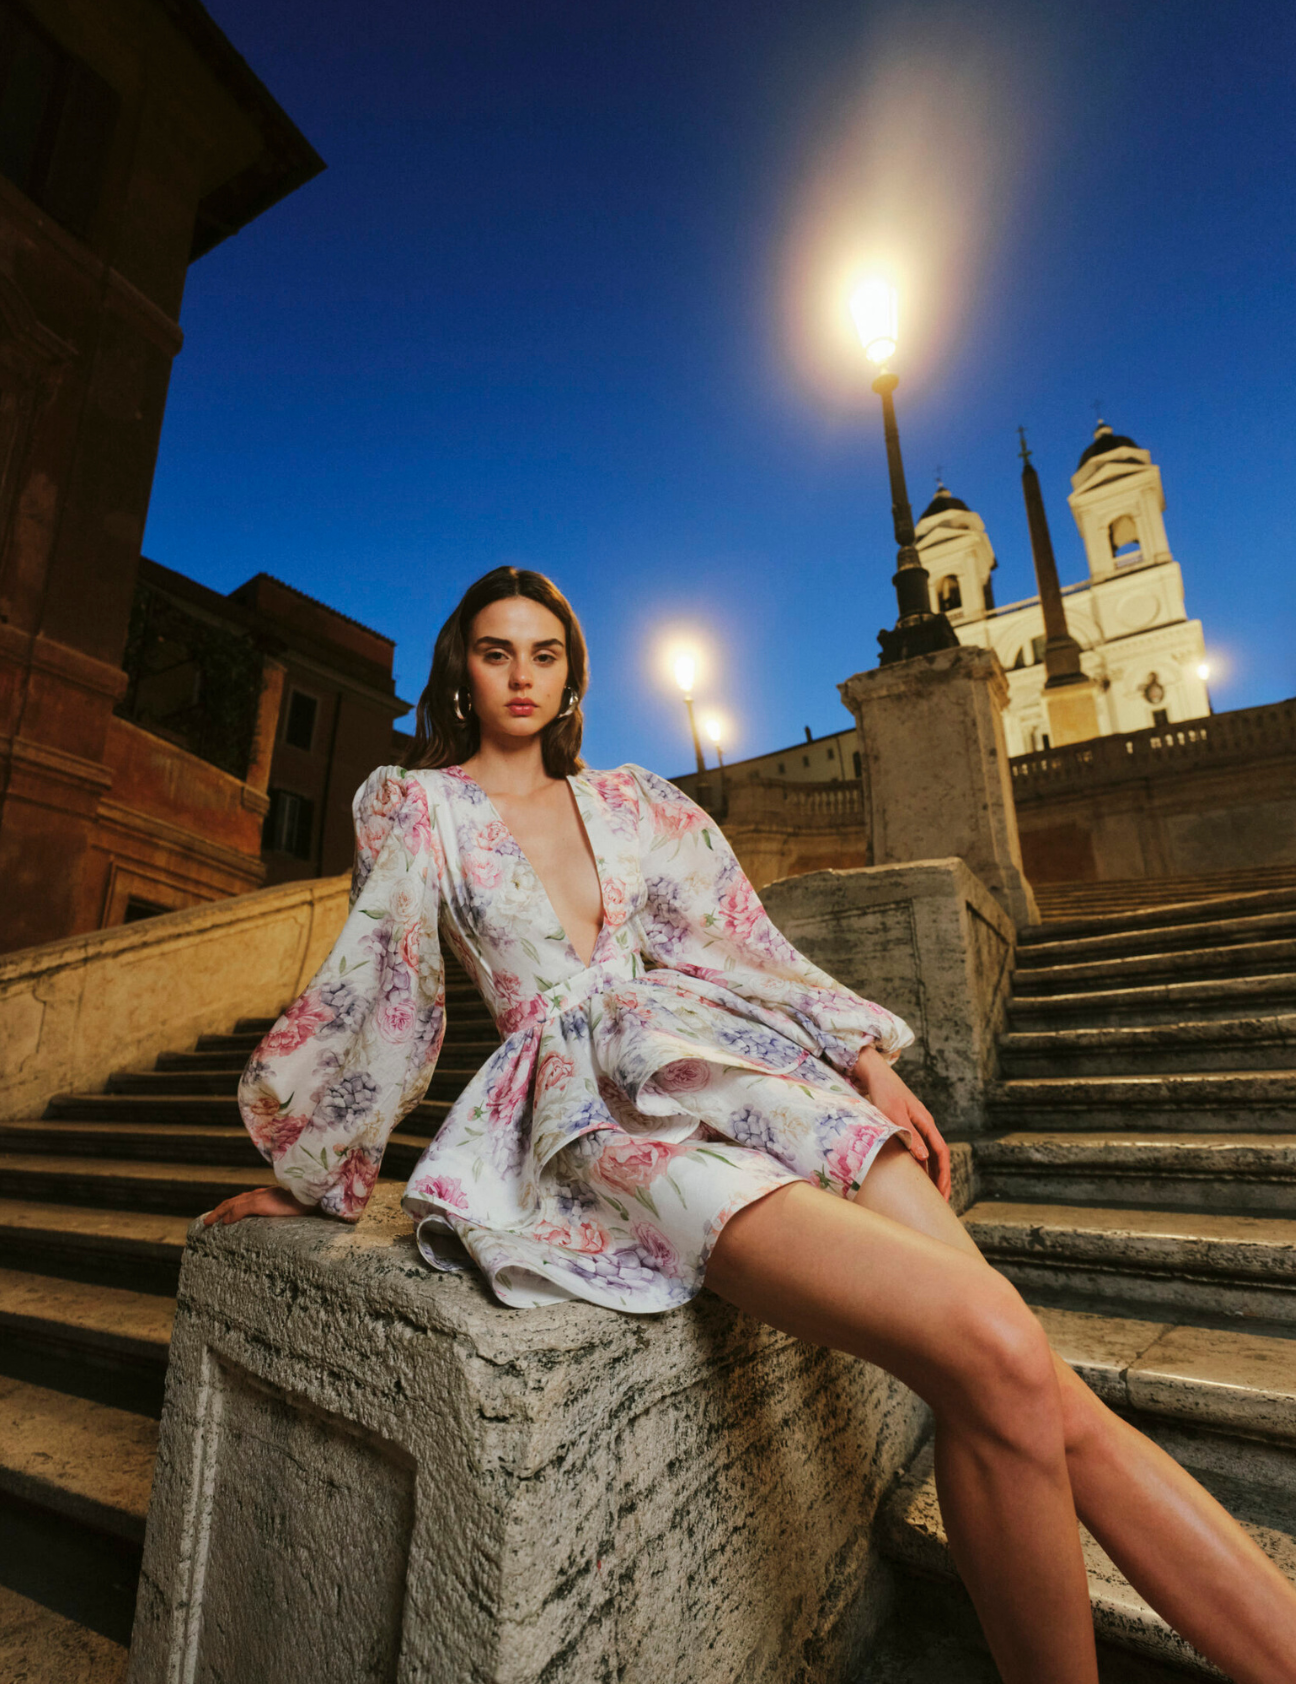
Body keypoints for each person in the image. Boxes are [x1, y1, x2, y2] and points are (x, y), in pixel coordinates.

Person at [207, 566, 1296, 1684]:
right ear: (462, 669)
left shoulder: (635, 800)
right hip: (601, 1119)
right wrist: (315, 1171)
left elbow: (738, 941)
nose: (522, 676)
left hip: (744, 1065)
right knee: (998, 1351)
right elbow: (381, 989)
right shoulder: (419, 806)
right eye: (497, 652)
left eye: (545, 653)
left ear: (574, 672)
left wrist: (864, 1060)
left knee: (1030, 1376)